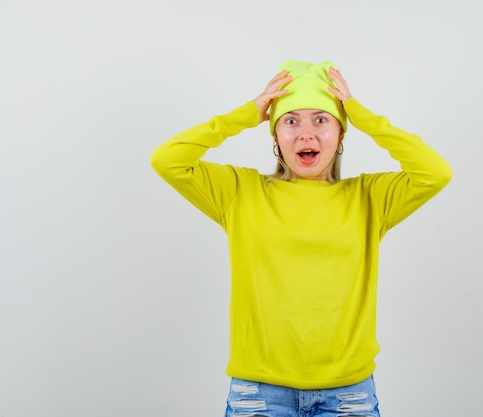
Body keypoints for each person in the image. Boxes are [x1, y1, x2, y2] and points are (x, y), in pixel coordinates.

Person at [150, 59, 452, 417]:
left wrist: (361, 116)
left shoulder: (370, 198)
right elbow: (167, 160)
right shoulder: (240, 192)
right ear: (275, 136)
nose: (306, 134)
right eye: (290, 121)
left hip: (347, 394)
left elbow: (435, 172)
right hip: (260, 394)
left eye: (321, 120)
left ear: (341, 134)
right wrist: (246, 114)